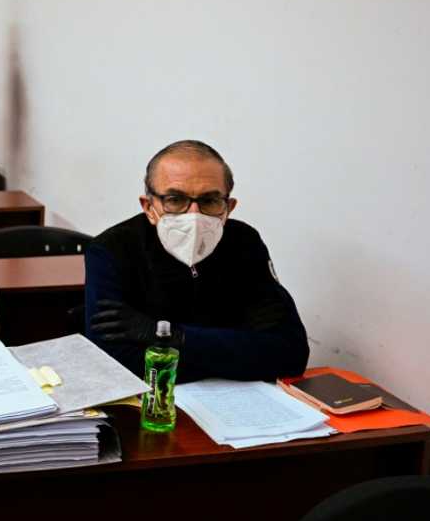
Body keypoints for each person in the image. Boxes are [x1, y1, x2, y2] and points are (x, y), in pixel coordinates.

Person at [84, 140, 310, 382]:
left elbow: (290, 354)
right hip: (153, 405)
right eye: (175, 199)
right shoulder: (111, 249)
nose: (194, 214)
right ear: (149, 207)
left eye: (209, 201)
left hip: (241, 402)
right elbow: (111, 363)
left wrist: (170, 335)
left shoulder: (244, 243)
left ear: (229, 207)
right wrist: (234, 352)